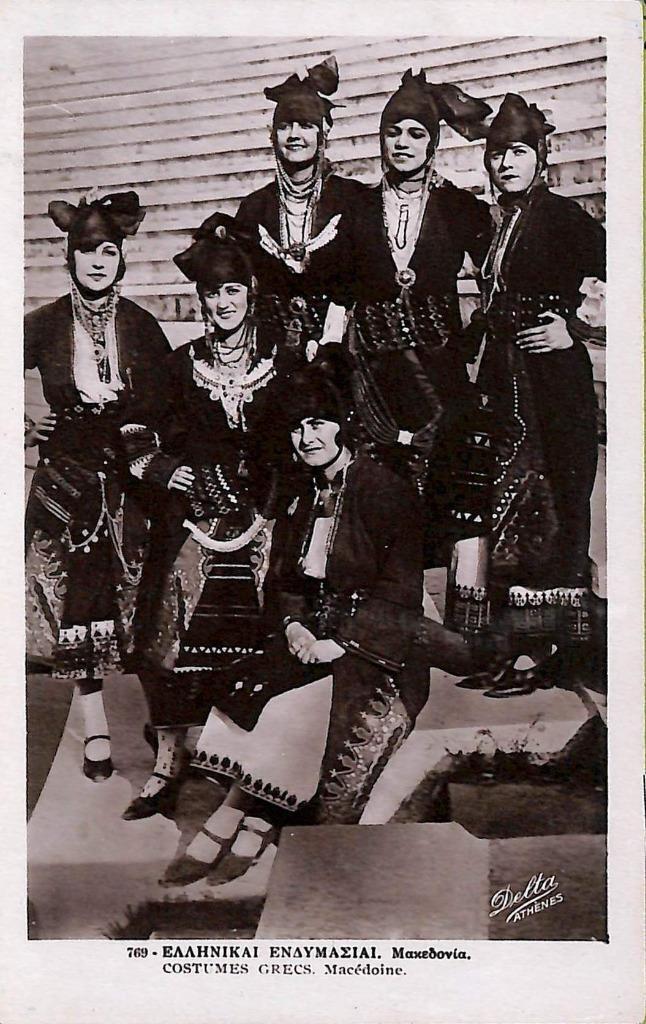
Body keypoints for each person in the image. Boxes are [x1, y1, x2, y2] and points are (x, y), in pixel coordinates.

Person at [159, 361, 506, 888]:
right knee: (245, 691)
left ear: (344, 426)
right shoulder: (302, 495)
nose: (307, 438)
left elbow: (399, 593)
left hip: (380, 648)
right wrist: (294, 628)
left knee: (290, 710)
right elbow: (286, 582)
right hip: (314, 639)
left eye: (319, 424)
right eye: (297, 428)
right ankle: (247, 816)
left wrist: (338, 644)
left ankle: (239, 818)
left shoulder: (385, 491)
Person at [119, 213, 291, 821]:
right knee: (166, 637)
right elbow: (134, 432)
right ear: (201, 299)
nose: (223, 303)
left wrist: (275, 501)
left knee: (267, 639)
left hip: (266, 523)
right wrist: (165, 470)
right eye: (213, 293)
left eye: (233, 291)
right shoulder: (179, 365)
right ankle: (168, 762)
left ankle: (253, 769)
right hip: (195, 522)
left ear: (251, 294)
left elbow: (302, 437)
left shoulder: (281, 364)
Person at [456, 93, 606, 698]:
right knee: (509, 508)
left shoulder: (564, 217)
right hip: (506, 382)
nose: (505, 163)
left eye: (518, 152)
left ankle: (552, 651)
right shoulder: (500, 222)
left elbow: (624, 272)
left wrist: (576, 326)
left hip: (554, 387)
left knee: (556, 507)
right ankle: (509, 645)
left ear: (540, 158)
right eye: (497, 154)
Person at [25, 191, 170, 781]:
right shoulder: (44, 323)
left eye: (108, 251)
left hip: (130, 475)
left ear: (121, 258)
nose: (97, 262)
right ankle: (96, 730)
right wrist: (23, 425)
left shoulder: (140, 324)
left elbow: (170, 398)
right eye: (86, 251)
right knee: (81, 602)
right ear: (70, 258)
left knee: (145, 597)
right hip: (69, 477)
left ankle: (165, 724)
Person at [343, 70, 495, 567]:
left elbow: (500, 276)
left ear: (433, 143)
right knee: (381, 493)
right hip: (375, 379)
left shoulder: (460, 208)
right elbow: (334, 288)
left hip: (439, 376)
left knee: (441, 498)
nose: (403, 143)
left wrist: (475, 336)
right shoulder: (356, 208)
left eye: (416, 133)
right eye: (393, 132)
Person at [235, 55, 366, 366]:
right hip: (273, 353)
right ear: (273, 135)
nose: (294, 135)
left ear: (323, 133)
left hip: (341, 354)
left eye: (306, 125)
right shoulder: (254, 208)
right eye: (285, 127)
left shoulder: (354, 199)